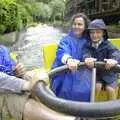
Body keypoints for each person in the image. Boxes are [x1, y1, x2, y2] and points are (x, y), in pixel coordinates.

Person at [0, 45, 76, 120]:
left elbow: (11, 68)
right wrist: (26, 85)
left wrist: (17, 71)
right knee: (14, 99)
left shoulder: (2, 49)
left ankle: (56, 109)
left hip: (7, 82)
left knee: (33, 77)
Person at [50, 13, 92, 102]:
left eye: (80, 24)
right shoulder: (65, 40)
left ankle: (82, 112)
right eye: (74, 24)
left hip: (81, 71)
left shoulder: (88, 40)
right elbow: (62, 51)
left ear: (85, 27)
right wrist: (68, 60)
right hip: (64, 70)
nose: (76, 26)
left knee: (85, 89)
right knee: (65, 89)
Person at [84, 19, 120, 100]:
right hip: (96, 74)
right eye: (92, 32)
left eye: (98, 32)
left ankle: (112, 109)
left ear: (103, 33)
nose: (95, 35)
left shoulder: (108, 44)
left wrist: (114, 60)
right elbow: (85, 53)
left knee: (110, 90)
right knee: (97, 87)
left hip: (109, 73)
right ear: (89, 33)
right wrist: (87, 58)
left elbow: (116, 52)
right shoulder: (87, 45)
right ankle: (93, 108)